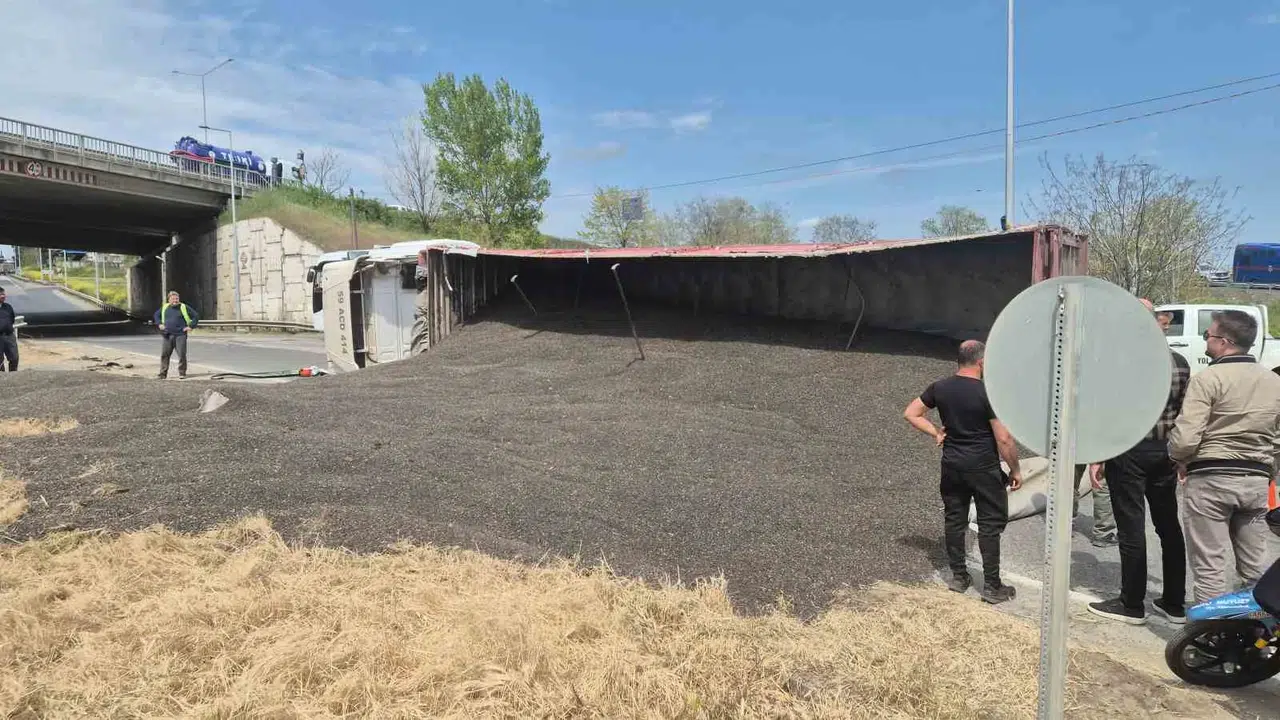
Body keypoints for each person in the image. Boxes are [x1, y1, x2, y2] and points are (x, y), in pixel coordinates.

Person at [1086, 299, 1190, 625]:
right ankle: (1174, 602)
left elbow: (1110, 413)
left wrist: (1098, 453)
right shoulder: (1180, 362)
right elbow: (1187, 413)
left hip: (1129, 450)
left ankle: (1131, 603)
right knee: (1168, 526)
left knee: (1132, 528)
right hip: (1166, 452)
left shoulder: (1120, 364)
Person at [1168, 309, 1280, 604]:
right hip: (1255, 479)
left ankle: (1211, 638)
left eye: (1209, 334)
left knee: (1210, 566)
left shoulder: (1208, 379)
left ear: (1224, 341)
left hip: (1210, 478)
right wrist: (1269, 471)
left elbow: (1186, 437)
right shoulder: (1273, 382)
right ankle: (1255, 631)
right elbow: (1278, 439)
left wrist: (1179, 458)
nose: (1206, 339)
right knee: (1255, 564)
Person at [904, 339, 1023, 604]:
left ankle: (959, 577)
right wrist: (1015, 469)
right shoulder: (988, 393)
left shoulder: (940, 387)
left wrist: (936, 431)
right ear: (981, 363)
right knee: (990, 525)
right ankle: (992, 587)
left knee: (954, 519)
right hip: (983, 468)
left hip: (953, 465)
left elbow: (911, 413)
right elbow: (1004, 439)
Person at [153, 291, 199, 380]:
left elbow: (195, 316)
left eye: (177, 299)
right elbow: (156, 315)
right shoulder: (165, 307)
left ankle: (182, 373)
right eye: (173, 299)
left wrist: (190, 326)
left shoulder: (183, 307)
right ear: (169, 299)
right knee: (165, 354)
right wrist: (159, 324)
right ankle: (163, 374)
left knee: (182, 354)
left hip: (180, 335)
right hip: (167, 335)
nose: (175, 301)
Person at [0, 286, 16, 372]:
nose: (3, 296)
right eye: (0, 294)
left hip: (9, 336)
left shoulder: (8, 307)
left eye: (3, 294)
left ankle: (12, 376)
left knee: (14, 358)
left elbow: (12, 319)